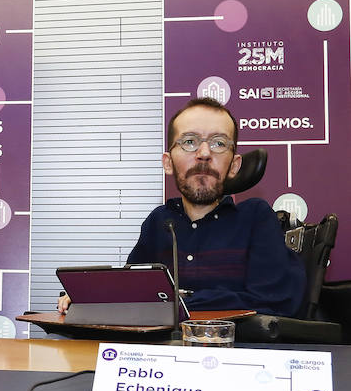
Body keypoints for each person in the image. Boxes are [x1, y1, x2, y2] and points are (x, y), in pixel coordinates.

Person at [59, 97, 305, 316]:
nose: (204, 153)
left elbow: (275, 301)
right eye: (189, 141)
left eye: (219, 143)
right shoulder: (159, 222)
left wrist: (179, 302)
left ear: (234, 166)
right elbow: (132, 291)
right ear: (168, 163)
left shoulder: (256, 218)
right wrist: (94, 299)